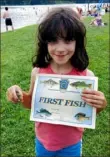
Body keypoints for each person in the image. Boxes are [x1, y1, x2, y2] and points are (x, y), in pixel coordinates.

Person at [6, 7, 107, 157]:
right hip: (42, 142)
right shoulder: (38, 72)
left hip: (71, 144)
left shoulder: (87, 77)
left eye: (68, 40)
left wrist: (100, 105)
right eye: (53, 40)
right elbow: (31, 103)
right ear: (45, 42)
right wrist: (19, 94)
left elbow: (90, 112)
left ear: (77, 42)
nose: (60, 48)